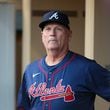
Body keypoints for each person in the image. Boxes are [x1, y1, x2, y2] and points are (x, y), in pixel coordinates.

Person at [17, 10, 110, 110]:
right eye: (48, 29)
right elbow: (22, 107)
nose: (52, 33)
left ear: (69, 34)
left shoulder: (86, 67)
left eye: (58, 29)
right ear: (42, 36)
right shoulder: (30, 70)